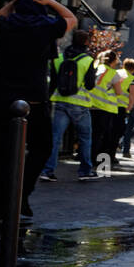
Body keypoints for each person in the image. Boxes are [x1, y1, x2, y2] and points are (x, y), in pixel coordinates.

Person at [0, 0, 75, 222]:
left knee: (2, 155)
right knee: (41, 148)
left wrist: (13, 1)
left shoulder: (5, 26)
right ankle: (22, 194)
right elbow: (70, 18)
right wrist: (49, 0)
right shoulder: (46, 27)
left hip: (3, 98)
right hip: (34, 98)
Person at [42, 29, 99, 182]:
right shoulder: (88, 60)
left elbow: (53, 82)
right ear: (86, 42)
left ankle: (48, 171)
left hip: (60, 102)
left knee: (55, 138)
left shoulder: (58, 58)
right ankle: (85, 170)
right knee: (85, 139)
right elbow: (89, 85)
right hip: (80, 104)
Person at [88, 50, 124, 172]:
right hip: (105, 107)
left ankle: (87, 157)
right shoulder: (113, 73)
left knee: (90, 133)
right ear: (114, 61)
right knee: (101, 135)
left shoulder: (96, 68)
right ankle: (97, 159)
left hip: (90, 105)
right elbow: (119, 92)